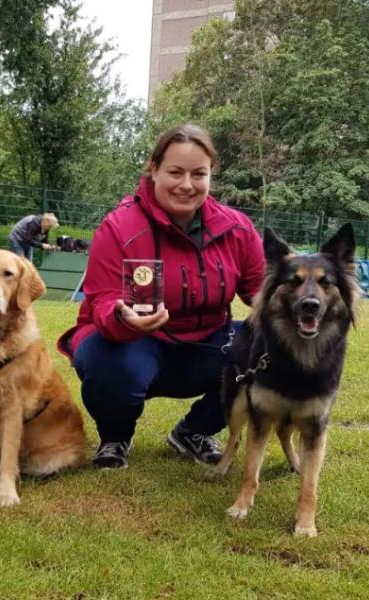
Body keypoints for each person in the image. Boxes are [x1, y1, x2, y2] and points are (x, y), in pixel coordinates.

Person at [57, 124, 265, 470]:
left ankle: (193, 432)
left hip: (208, 344)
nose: (186, 184)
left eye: (198, 174)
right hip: (137, 341)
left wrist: (294, 311)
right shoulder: (118, 227)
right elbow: (101, 301)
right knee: (103, 357)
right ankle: (115, 436)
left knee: (268, 346)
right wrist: (125, 317)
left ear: (211, 174)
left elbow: (261, 291)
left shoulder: (238, 228)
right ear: (153, 169)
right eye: (175, 172)